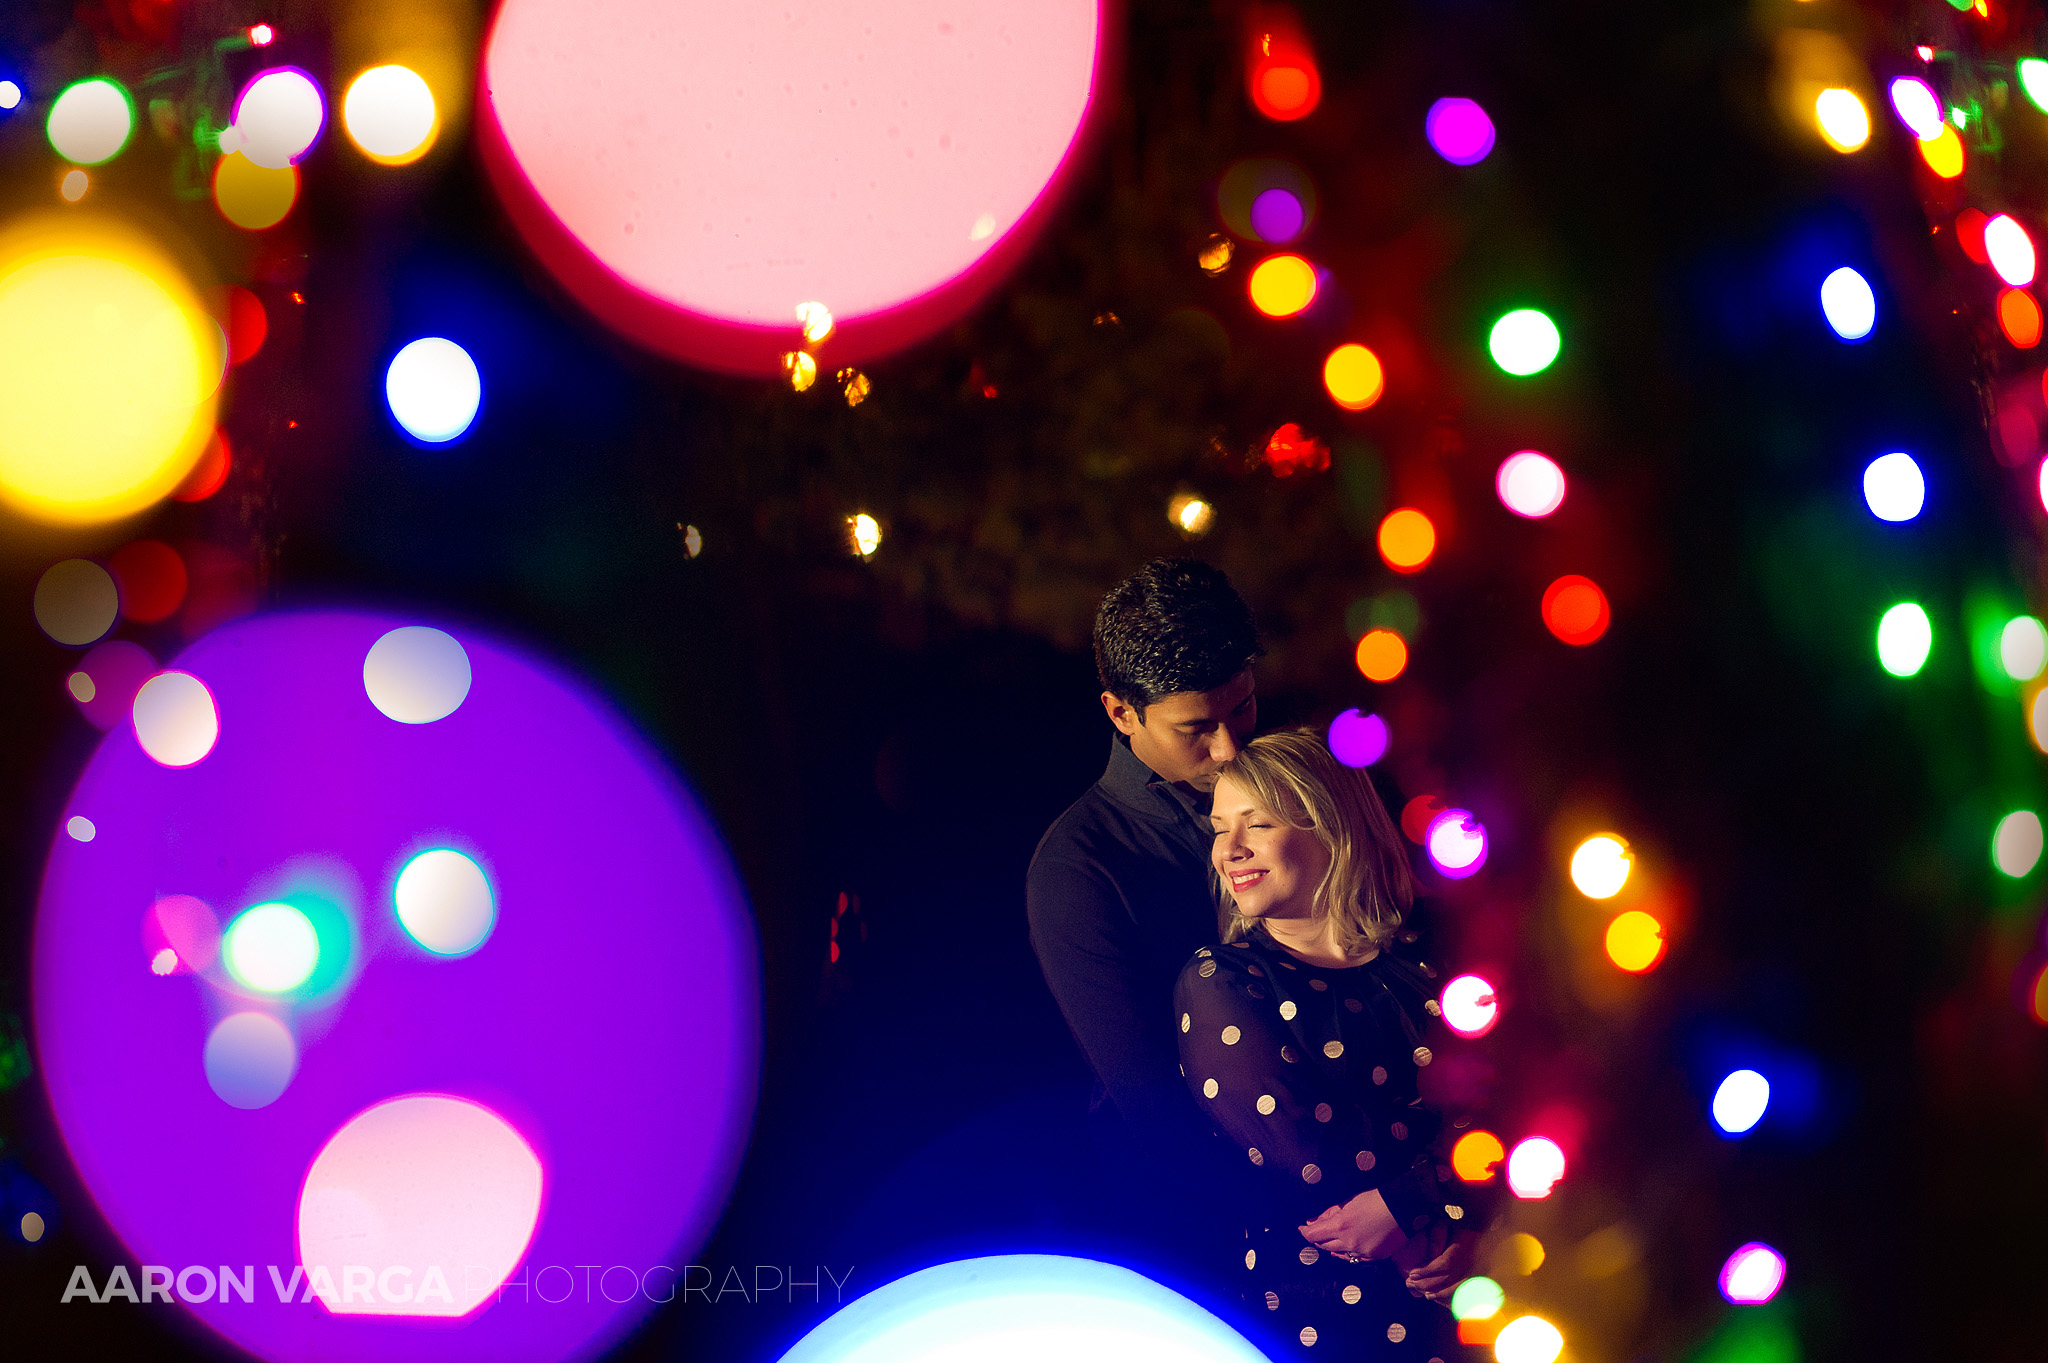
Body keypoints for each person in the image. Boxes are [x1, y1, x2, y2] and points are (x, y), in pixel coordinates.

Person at [1174, 729, 1485, 1358]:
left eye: (1255, 824)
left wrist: (1460, 1217)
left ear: (1331, 824)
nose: (1229, 850)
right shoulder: (1222, 980)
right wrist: (1436, 1193)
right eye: (1217, 829)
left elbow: (1516, 1102)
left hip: (1480, 1282)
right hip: (1320, 1311)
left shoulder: (1435, 953)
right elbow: (1315, 1156)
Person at [1025, 559, 1263, 1287]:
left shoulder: (1306, 791)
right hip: (1207, 1244)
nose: (1228, 747)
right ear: (1120, 712)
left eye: (1244, 707)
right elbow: (1154, 1108)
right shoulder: (1078, 868)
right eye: (1197, 727)